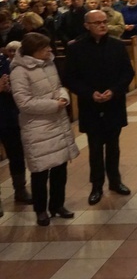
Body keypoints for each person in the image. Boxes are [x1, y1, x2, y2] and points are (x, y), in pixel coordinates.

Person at [64, 10, 134, 205]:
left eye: (104, 22)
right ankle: (96, 185)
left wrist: (113, 91)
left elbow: (128, 73)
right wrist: (89, 93)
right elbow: (69, 77)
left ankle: (115, 181)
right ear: (87, 25)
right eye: (97, 23)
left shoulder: (117, 46)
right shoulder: (76, 48)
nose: (103, 25)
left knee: (113, 146)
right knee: (95, 147)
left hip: (113, 103)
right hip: (90, 105)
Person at [10, 33, 79, 226]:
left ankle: (57, 205)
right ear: (34, 51)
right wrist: (54, 104)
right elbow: (24, 103)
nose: (50, 50)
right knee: (40, 171)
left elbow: (58, 86)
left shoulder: (48, 63)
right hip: (37, 127)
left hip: (57, 122)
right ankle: (40, 210)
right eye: (45, 48)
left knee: (60, 167)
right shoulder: (19, 71)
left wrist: (63, 97)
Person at [0, 41, 32, 213]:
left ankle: (20, 190)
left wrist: (10, 87)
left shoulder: (4, 61)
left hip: (8, 117)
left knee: (17, 155)